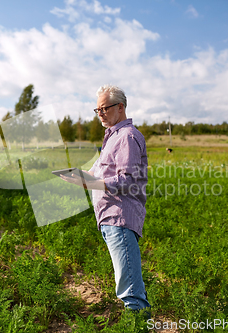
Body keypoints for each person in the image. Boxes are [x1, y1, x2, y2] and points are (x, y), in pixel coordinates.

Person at [60, 84, 151, 316]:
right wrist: (77, 177)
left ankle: (139, 326)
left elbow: (128, 180)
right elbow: (96, 173)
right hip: (109, 218)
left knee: (129, 288)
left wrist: (94, 184)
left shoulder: (127, 137)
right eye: (97, 109)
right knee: (127, 283)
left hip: (120, 217)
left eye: (104, 108)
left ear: (120, 107)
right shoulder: (112, 138)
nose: (100, 113)